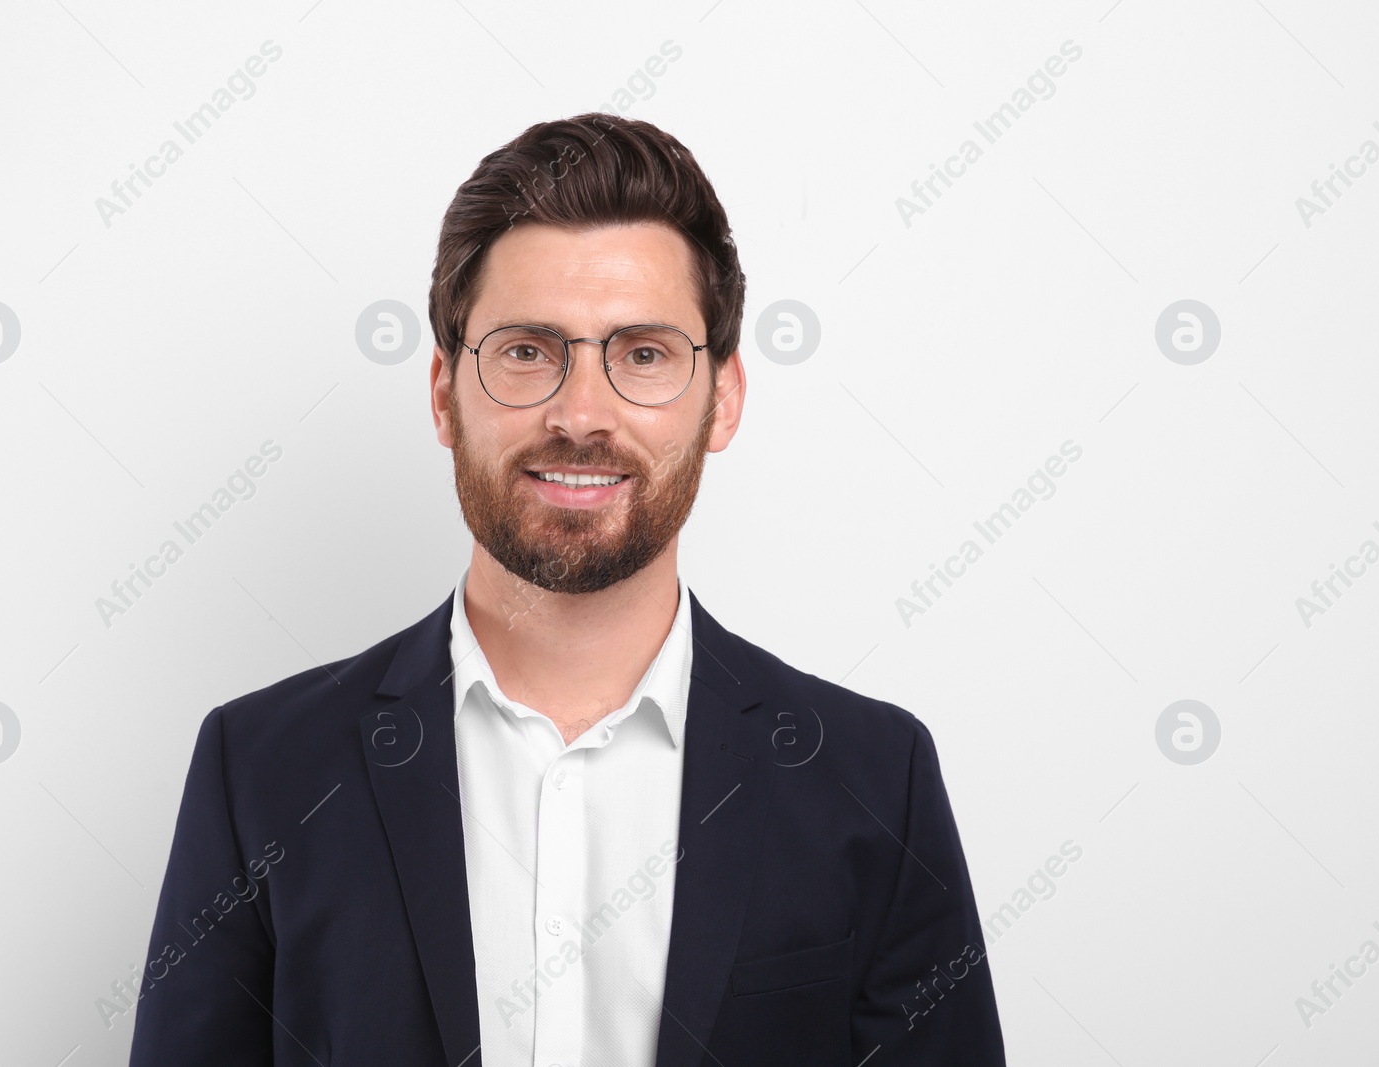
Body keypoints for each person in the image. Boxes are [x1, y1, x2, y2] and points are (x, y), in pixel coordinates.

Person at [129, 112, 1005, 1067]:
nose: (580, 414)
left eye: (642, 354)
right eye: (526, 350)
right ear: (440, 394)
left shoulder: (876, 781)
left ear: (725, 397)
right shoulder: (261, 770)